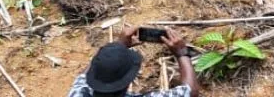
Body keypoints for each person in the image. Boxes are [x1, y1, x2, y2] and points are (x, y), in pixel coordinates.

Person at [67, 25, 199, 97]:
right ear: (128, 81)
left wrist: (119, 45)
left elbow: (84, 76)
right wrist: (181, 53)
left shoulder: (78, 93)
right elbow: (190, 92)